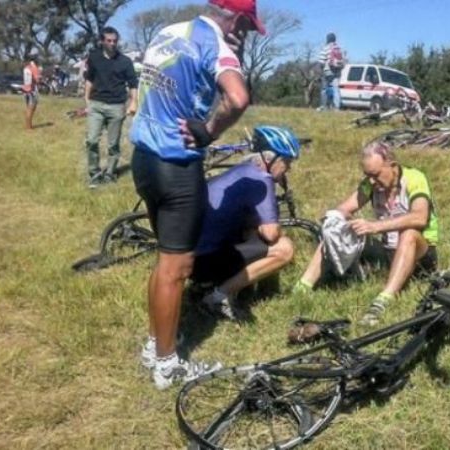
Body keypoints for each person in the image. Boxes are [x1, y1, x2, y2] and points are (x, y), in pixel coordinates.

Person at [130, 0, 263, 390]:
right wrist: (210, 130)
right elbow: (238, 98)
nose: (245, 36)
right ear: (235, 19)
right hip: (177, 164)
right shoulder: (216, 45)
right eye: (247, 27)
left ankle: (157, 345)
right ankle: (168, 365)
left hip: (143, 159)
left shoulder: (167, 33)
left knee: (164, 260)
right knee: (178, 269)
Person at [295, 141, 439, 326]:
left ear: (392, 166)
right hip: (389, 251)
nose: (371, 181)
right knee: (335, 232)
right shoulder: (370, 185)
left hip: (421, 255)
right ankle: (302, 288)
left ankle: (383, 299)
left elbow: (420, 217)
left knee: (409, 233)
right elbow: (345, 208)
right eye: (367, 175)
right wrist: (335, 220)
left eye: (376, 175)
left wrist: (375, 226)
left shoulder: (414, 179)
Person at [189, 126, 300, 320]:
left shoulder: (243, 170)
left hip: (188, 256)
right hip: (202, 261)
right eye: (287, 161)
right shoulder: (262, 180)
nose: (288, 168)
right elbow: (271, 234)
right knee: (284, 248)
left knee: (252, 233)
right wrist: (276, 227)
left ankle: (208, 284)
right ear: (270, 159)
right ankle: (216, 297)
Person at [84, 27, 138, 188]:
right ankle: (94, 173)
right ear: (102, 41)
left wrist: (133, 102)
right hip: (97, 104)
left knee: (113, 144)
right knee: (92, 140)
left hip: (117, 106)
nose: (112, 43)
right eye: (109, 40)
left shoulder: (125, 62)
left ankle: (110, 173)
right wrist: (87, 99)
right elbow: (89, 79)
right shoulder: (94, 58)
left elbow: (133, 84)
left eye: (115, 41)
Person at [318, 32, 344, 111]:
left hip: (327, 71)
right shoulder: (339, 48)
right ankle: (337, 108)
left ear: (327, 39)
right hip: (337, 71)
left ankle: (324, 106)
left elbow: (321, 61)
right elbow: (342, 60)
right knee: (336, 89)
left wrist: (322, 69)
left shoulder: (325, 48)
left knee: (324, 89)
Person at [22, 55, 40, 130]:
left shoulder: (26, 68)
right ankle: (28, 127)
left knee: (28, 108)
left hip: (25, 90)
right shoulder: (34, 68)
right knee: (31, 108)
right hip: (32, 90)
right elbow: (37, 80)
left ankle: (28, 125)